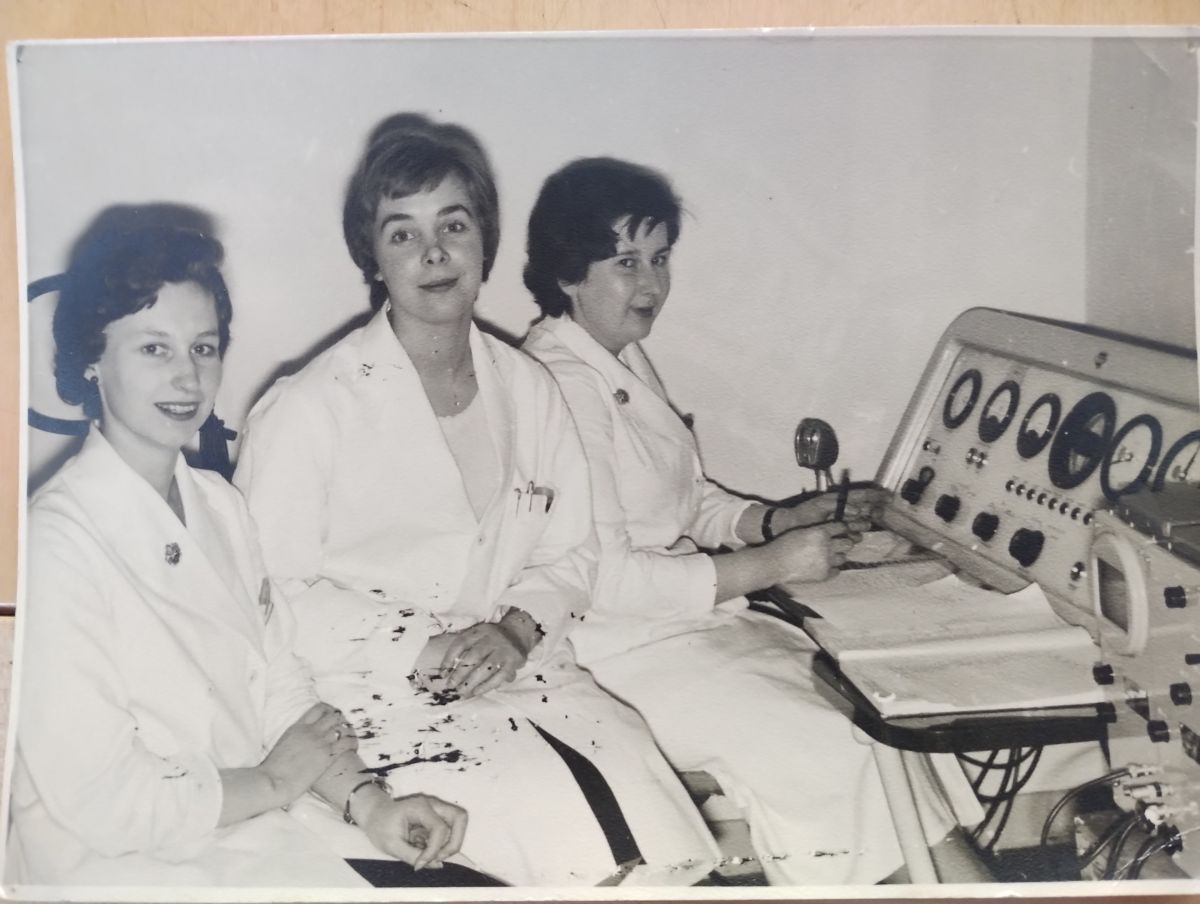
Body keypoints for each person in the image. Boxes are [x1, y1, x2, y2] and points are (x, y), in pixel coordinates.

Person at [232, 115, 719, 887]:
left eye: (453, 225)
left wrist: (516, 631)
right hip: (373, 706)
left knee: (661, 841)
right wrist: (416, 649)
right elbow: (270, 598)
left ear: (483, 241)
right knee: (573, 852)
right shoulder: (307, 409)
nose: (433, 254)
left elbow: (573, 552)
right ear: (373, 256)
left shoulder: (531, 390)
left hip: (532, 681)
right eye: (403, 233)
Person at [521, 157, 983, 885]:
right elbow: (601, 579)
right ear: (569, 273)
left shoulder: (618, 358)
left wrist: (777, 519)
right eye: (626, 262)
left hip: (683, 630)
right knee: (838, 745)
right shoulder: (559, 384)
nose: (652, 284)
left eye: (662, 258)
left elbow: (689, 497)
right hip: (615, 652)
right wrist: (778, 564)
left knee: (877, 718)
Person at [7, 224, 491, 890]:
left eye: (204, 348)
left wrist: (371, 803)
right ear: (91, 358)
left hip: (243, 831)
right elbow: (103, 803)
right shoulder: (57, 543)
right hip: (116, 868)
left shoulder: (218, 505)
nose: (188, 376)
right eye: (154, 348)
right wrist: (272, 781)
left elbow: (280, 685)